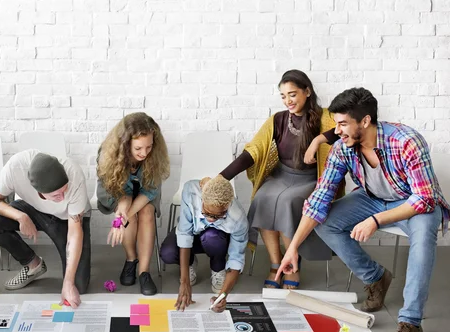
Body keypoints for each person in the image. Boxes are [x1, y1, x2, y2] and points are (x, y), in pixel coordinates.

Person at [277, 87, 449, 332]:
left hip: (413, 202)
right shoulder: (343, 148)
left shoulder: (406, 141)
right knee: (325, 221)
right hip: (372, 197)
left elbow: (424, 198)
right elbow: (319, 200)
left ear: (365, 121)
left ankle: (410, 322)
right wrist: (292, 250)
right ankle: (376, 278)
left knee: (424, 239)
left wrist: (376, 221)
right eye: (336, 123)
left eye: (344, 123)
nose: (338, 130)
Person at [220, 69, 341, 290]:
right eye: (283, 96)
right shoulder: (277, 119)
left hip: (310, 180)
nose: (288, 101)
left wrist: (317, 141)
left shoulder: (326, 117)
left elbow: (344, 129)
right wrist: (223, 177)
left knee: (287, 202)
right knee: (263, 197)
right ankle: (276, 264)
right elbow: (254, 150)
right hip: (281, 175)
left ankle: (292, 265)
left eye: (292, 94)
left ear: (307, 91)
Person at [0, 149, 91, 308]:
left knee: (78, 285)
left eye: (64, 190)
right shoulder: (15, 167)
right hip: (33, 209)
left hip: (68, 218)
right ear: (39, 192)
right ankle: (33, 264)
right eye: (56, 195)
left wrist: (68, 282)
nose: (62, 196)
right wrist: (21, 216)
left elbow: (74, 232)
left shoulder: (74, 175)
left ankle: (69, 281)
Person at [96, 112, 170, 296]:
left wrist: (123, 218)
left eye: (149, 147)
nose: (144, 153)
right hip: (116, 193)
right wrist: (123, 210)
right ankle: (131, 259)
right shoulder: (107, 154)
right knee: (128, 211)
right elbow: (116, 192)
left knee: (146, 212)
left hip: (146, 193)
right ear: (125, 143)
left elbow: (150, 191)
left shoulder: (155, 156)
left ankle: (144, 271)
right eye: (138, 148)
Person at [159, 176, 249, 312]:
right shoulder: (191, 191)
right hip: (193, 234)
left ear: (228, 205)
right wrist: (185, 282)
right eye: (206, 213)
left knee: (212, 237)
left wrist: (223, 296)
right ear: (202, 199)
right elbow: (184, 233)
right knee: (168, 253)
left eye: (218, 216)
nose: (211, 219)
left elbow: (236, 259)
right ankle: (189, 263)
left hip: (216, 240)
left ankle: (218, 268)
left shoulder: (238, 219)